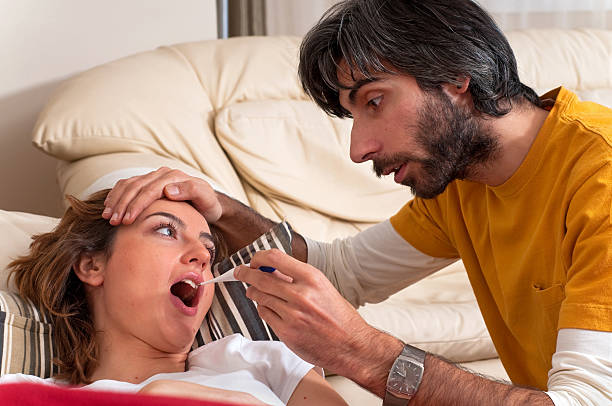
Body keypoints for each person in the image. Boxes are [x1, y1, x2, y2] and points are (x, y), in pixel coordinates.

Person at [100, 0, 612, 405]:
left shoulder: (600, 180)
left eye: (374, 101)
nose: (358, 148)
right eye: (354, 116)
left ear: (456, 78)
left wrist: (365, 354)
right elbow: (343, 272)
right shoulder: (461, 181)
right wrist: (222, 211)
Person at [1, 189, 348, 406]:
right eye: (166, 231)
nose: (201, 253)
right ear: (92, 264)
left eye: (208, 249)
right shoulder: (25, 393)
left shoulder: (261, 362)